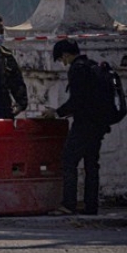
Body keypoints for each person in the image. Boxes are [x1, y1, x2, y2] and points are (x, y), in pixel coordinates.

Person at [43, 39, 109, 216]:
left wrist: (56, 113)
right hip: (99, 124)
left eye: (61, 59)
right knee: (91, 165)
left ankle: (68, 204)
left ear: (65, 55)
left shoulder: (77, 69)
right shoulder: (93, 66)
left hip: (84, 124)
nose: (62, 63)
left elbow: (77, 100)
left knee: (68, 161)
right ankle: (91, 206)